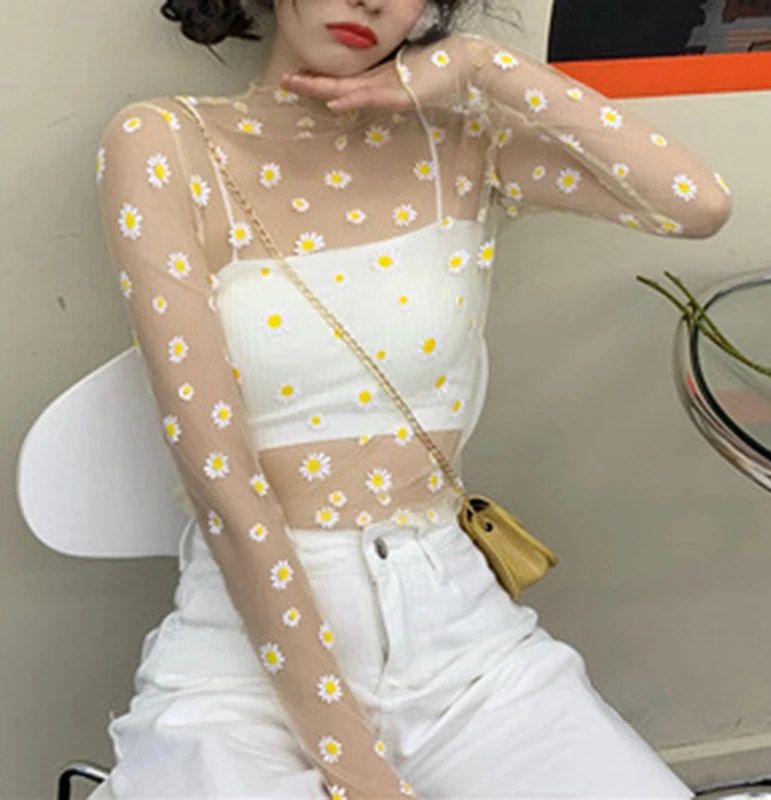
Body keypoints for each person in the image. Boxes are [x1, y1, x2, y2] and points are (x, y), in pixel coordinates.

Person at [95, 0, 732, 796]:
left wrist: (480, 66)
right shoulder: (164, 141)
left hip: (461, 641)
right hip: (243, 659)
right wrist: (356, 767)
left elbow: (696, 203)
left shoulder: (460, 144)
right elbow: (223, 485)